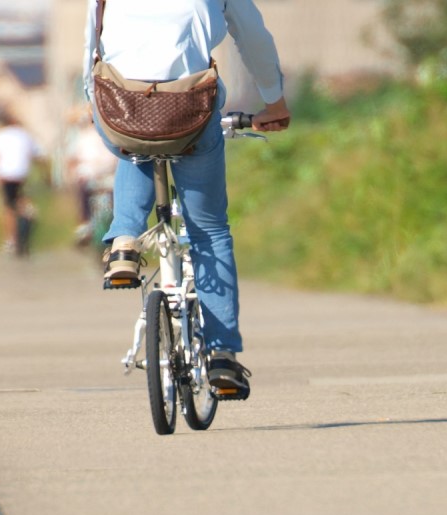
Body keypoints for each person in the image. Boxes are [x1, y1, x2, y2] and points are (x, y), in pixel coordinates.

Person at [83, 0, 291, 399]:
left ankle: (124, 241)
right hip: (189, 108)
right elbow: (253, 38)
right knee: (209, 230)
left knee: (134, 141)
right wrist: (274, 100)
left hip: (119, 103)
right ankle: (221, 355)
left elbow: (88, 45)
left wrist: (97, 102)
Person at [0, 116, 38, 254]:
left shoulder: (0, 135)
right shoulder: (25, 134)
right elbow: (34, 154)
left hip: (5, 174)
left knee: (8, 208)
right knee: (21, 198)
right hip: (22, 174)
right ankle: (28, 210)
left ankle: (10, 240)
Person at [65, 118, 117, 247]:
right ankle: (85, 223)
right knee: (82, 190)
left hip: (107, 173)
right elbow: (73, 158)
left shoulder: (109, 134)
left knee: (115, 194)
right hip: (90, 173)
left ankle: (117, 223)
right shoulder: (84, 136)